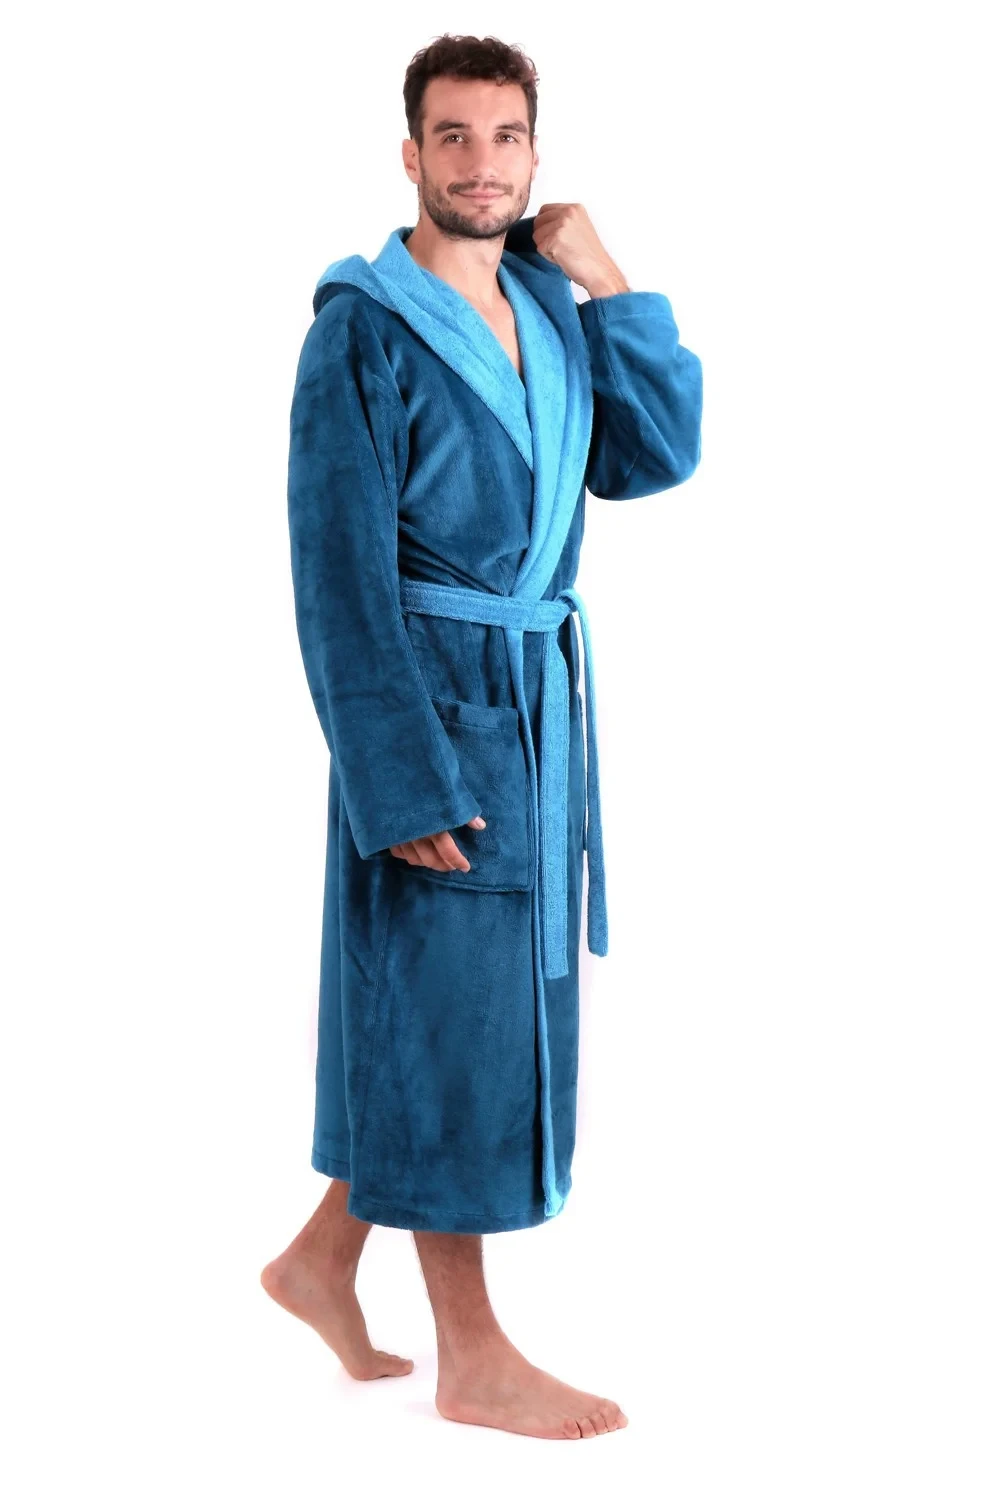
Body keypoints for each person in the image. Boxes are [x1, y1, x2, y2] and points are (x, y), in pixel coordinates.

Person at [261, 33, 702, 1441]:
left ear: (534, 154)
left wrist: (612, 284)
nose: (481, 163)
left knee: (460, 1012)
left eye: (505, 136)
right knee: (451, 1022)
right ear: (411, 154)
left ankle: (321, 1261)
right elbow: (334, 577)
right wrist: (399, 780)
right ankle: (475, 1354)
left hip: (539, 711)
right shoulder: (360, 331)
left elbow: (654, 458)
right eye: (452, 136)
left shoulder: (552, 308)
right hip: (434, 718)